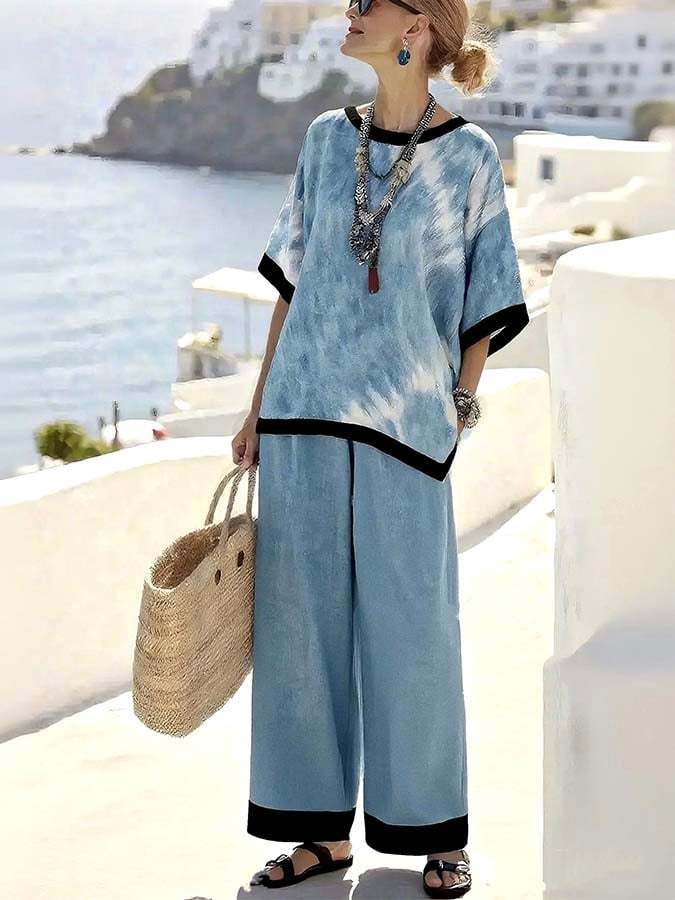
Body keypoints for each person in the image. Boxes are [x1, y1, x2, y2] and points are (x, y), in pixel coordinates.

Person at [232, 0, 530, 892]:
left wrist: (460, 405)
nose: (349, 12)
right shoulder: (327, 139)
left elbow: (486, 297)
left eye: (369, 3)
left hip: (406, 431)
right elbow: (294, 281)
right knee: (299, 633)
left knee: (414, 629)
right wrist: (257, 406)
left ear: (418, 27)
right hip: (303, 417)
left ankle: (436, 832)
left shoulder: (470, 158)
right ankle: (317, 834)